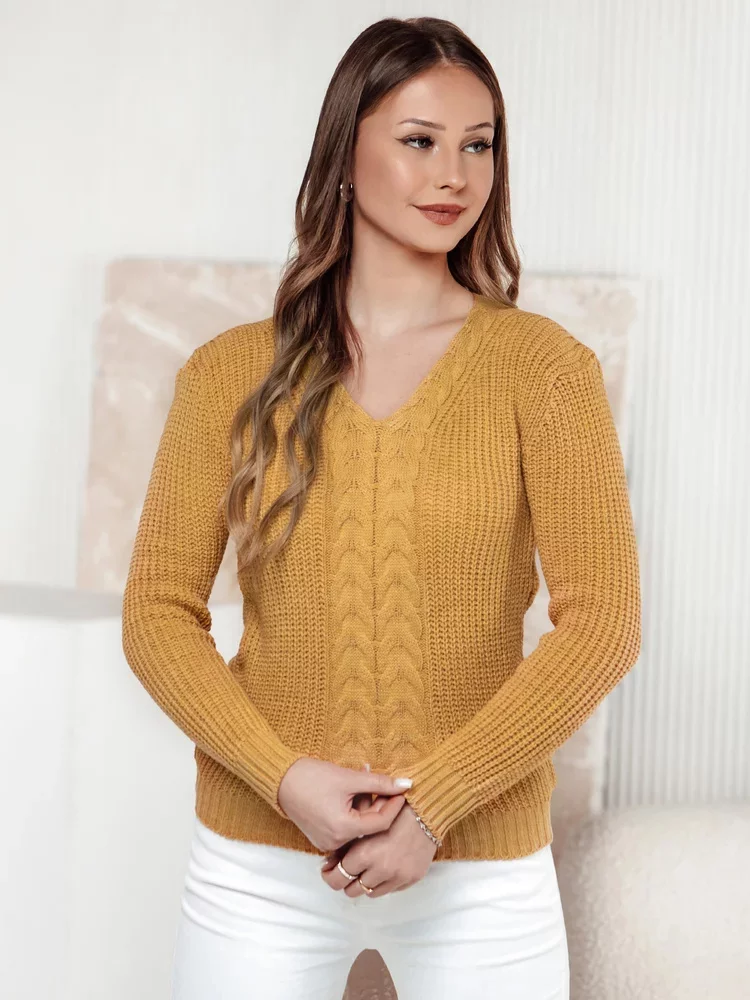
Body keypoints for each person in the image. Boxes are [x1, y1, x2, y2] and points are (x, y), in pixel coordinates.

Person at [121, 15, 641, 1000]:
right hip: (259, 862)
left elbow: (603, 623)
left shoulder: (545, 369)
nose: (455, 175)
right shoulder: (228, 372)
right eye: (419, 141)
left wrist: (435, 807)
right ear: (345, 154)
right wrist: (283, 778)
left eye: (478, 145)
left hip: (479, 867)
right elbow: (156, 613)